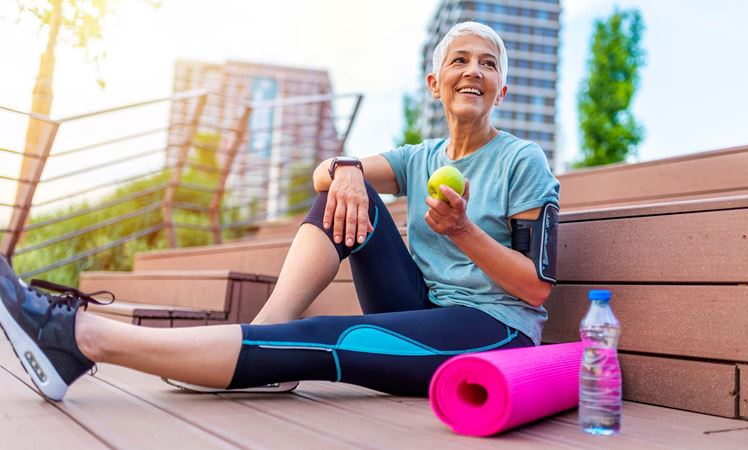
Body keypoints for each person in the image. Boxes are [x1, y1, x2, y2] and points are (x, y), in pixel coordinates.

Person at [0, 21, 560, 402]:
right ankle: (263, 332)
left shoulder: (522, 160)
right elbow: (325, 178)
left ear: (502, 89)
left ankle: (79, 338)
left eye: (488, 64)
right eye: (460, 60)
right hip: (420, 304)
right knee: (343, 193)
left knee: (322, 337)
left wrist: (461, 231)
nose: (474, 71)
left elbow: (536, 289)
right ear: (435, 84)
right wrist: (345, 168)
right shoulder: (420, 157)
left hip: (493, 330)